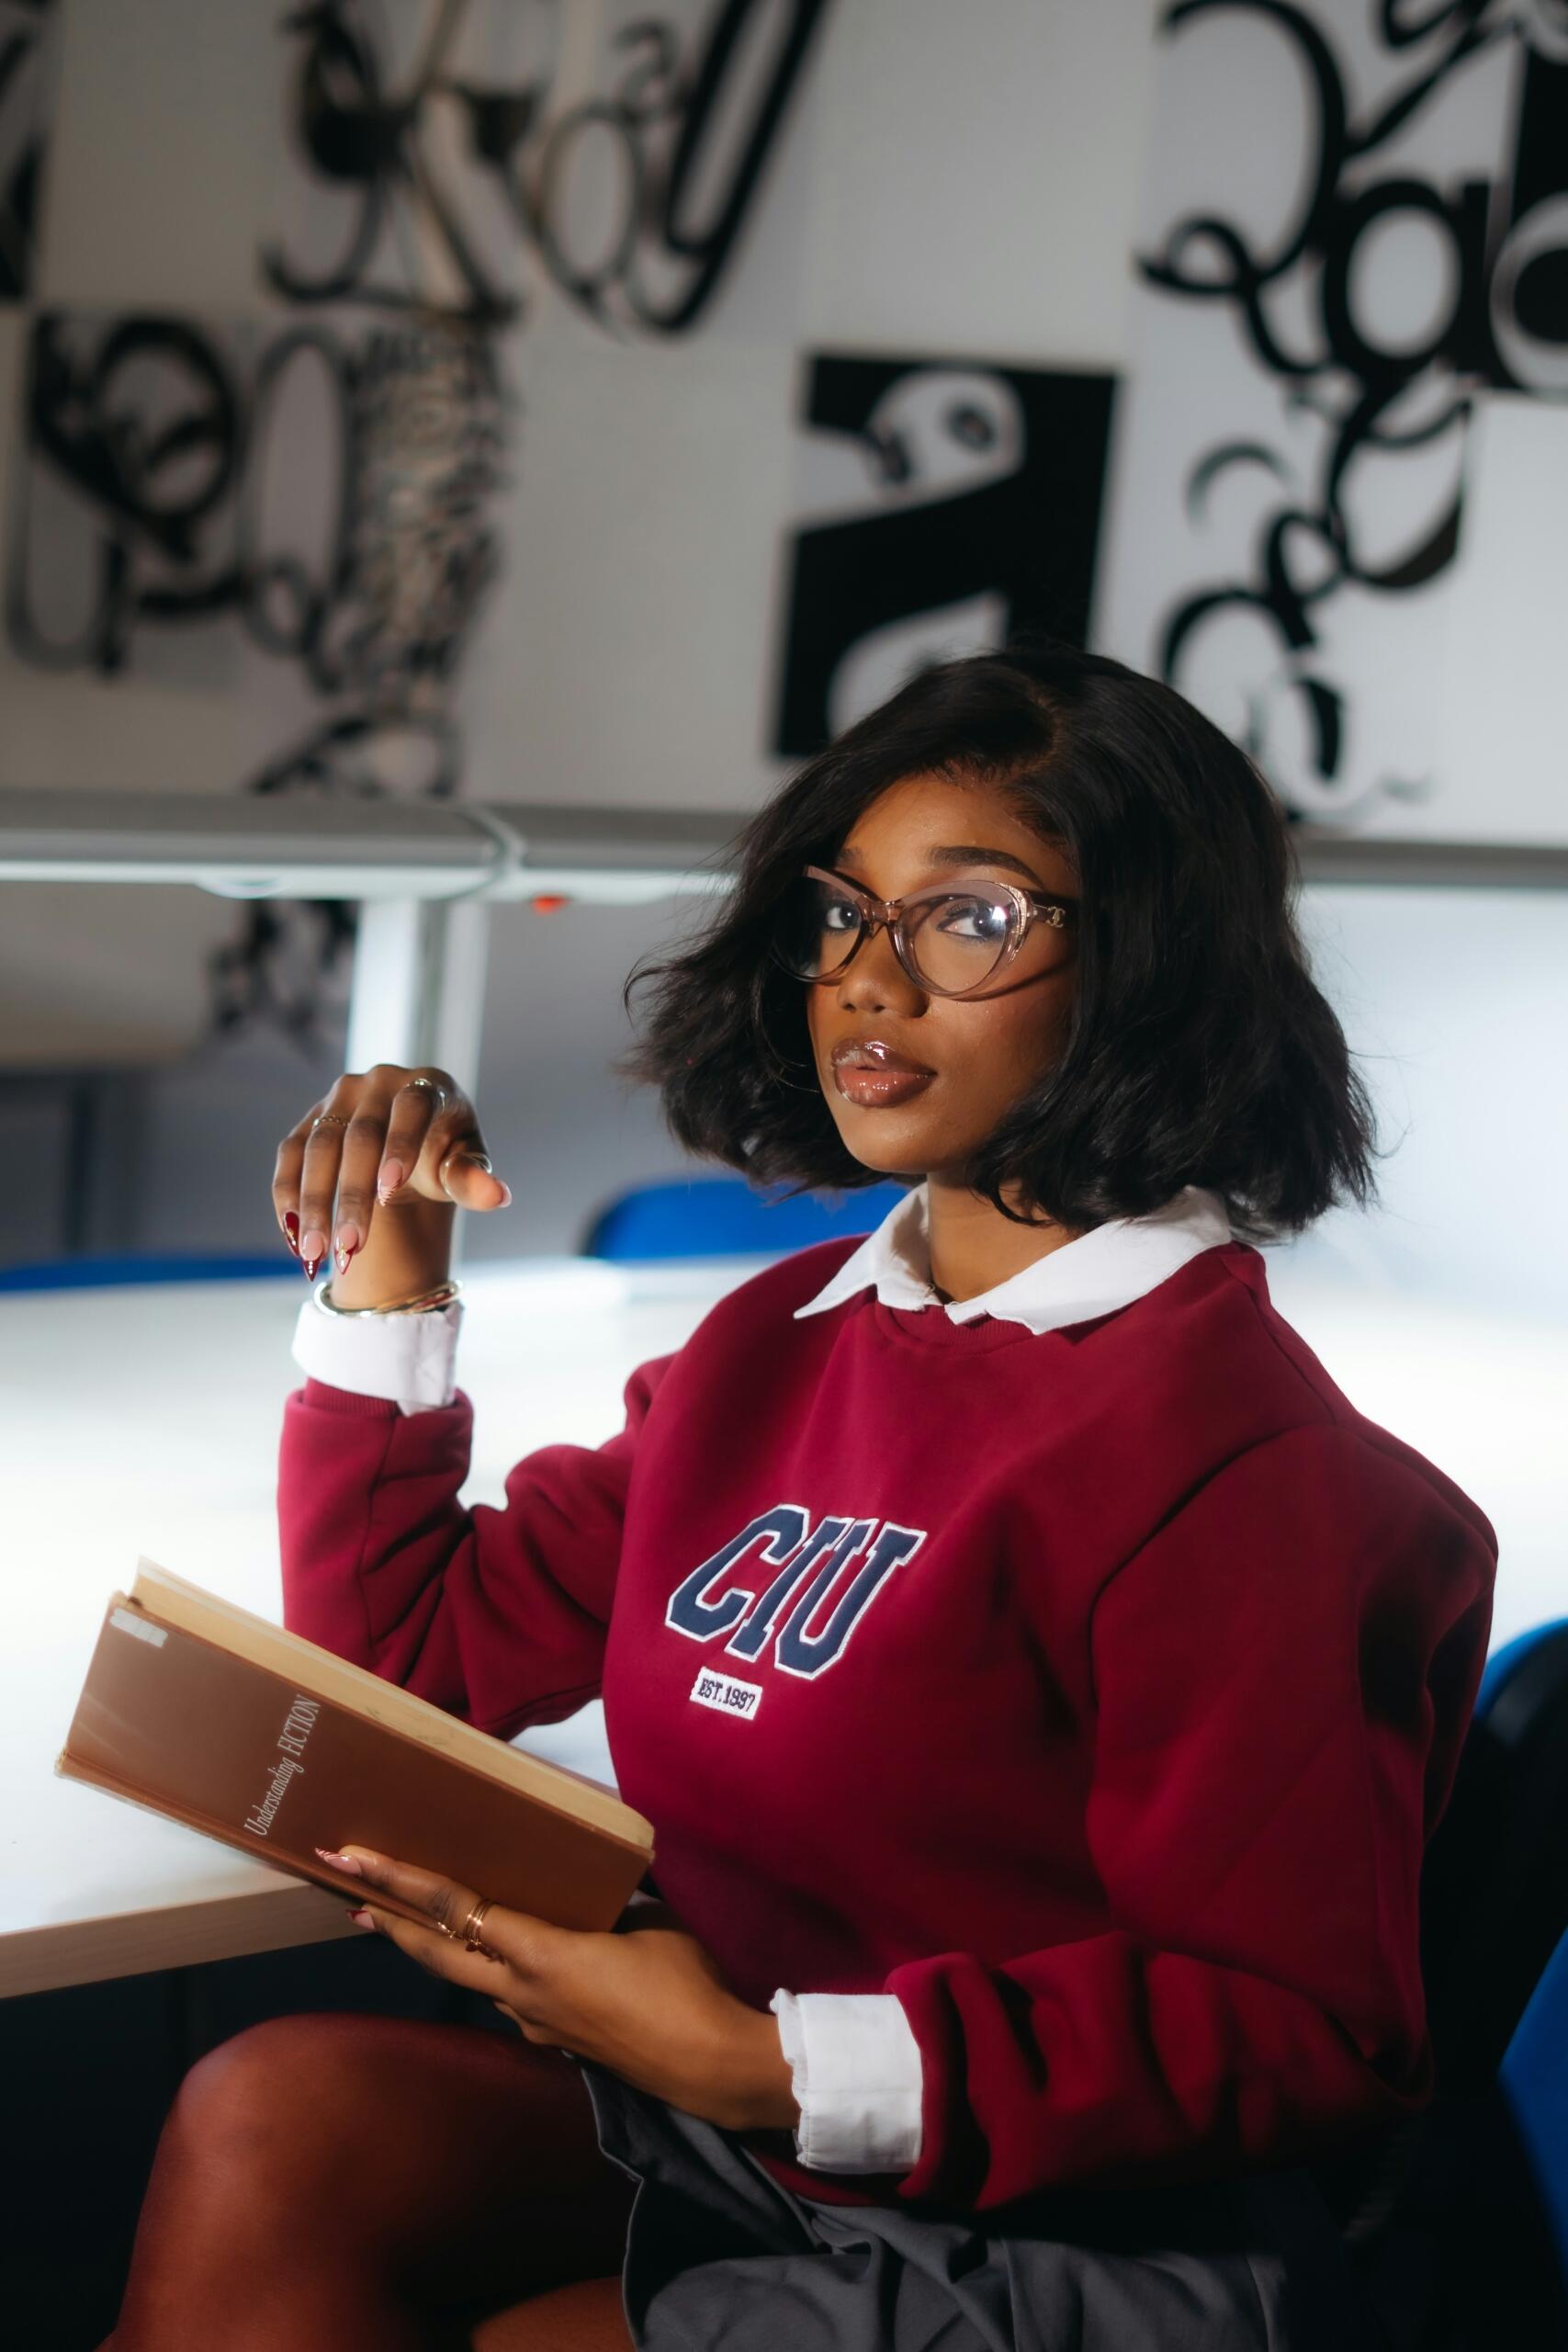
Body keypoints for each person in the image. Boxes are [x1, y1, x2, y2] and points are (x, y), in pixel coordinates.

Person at [104, 640, 1496, 2351]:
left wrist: (763, 2061)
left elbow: (1301, 2026)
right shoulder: (782, 1340)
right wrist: (393, 1266)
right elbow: (412, 1670)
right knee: (275, 2115)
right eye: (845, 913)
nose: (868, 981)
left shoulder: (1246, 1474)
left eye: (970, 919)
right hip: (750, 2138)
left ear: (1148, 967)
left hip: (1057, 2233)